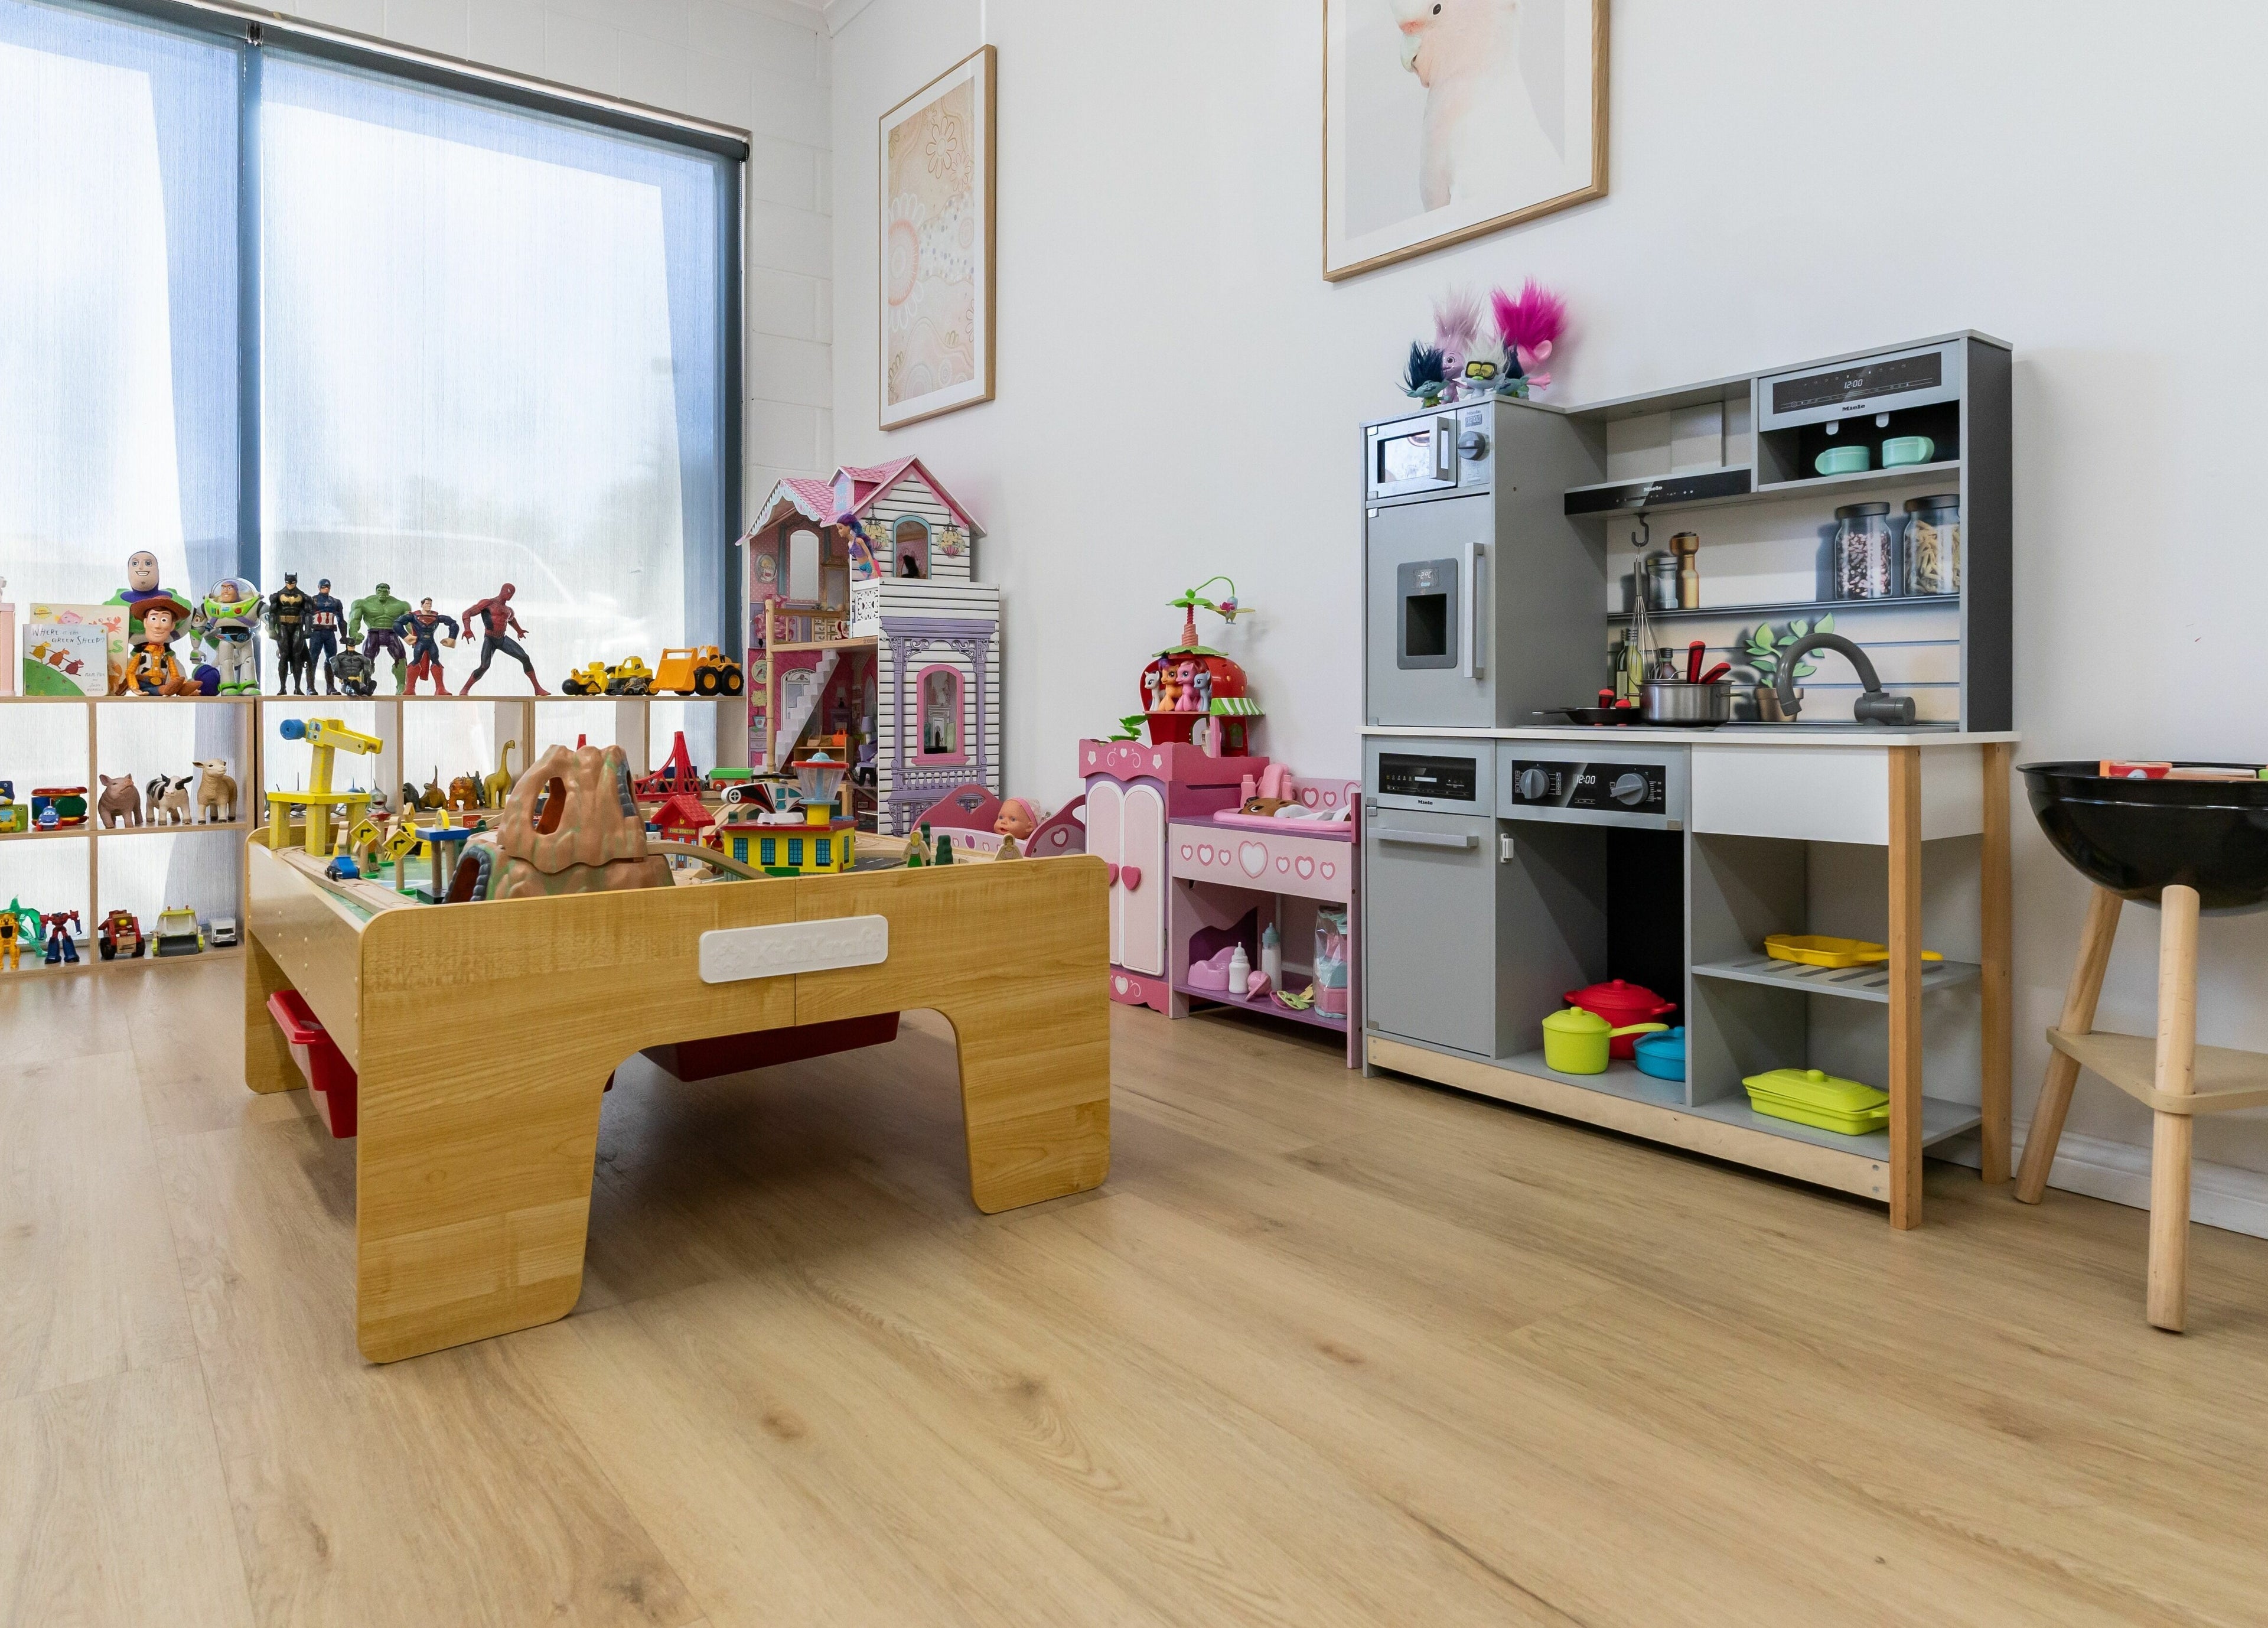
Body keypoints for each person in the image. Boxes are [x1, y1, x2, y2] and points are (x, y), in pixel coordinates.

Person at [458, 583, 548, 695]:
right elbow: (467, 613)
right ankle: (465, 689)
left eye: (512, 594)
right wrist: (468, 629)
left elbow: (511, 620)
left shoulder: (509, 610)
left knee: (525, 657)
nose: (510, 596)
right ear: (503, 591)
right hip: (490, 639)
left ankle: (538, 689)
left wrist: (519, 631)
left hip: (502, 639)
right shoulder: (488, 603)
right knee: (484, 666)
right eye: (509, 592)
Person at [124, 595, 197, 695]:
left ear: (172, 626)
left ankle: (182, 690)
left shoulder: (168, 659)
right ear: (145, 623)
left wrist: (182, 684)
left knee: (169, 685)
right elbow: (130, 672)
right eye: (153, 619)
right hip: (145, 685)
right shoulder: (139, 656)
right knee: (162, 690)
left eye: (164, 620)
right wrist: (134, 687)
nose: (158, 626)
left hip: (162, 683)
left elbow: (175, 676)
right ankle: (165, 690)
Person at [348, 582, 413, 693]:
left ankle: (401, 686)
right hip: (374, 632)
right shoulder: (363, 603)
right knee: (367, 659)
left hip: (392, 632)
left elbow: (409, 622)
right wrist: (354, 633)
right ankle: (364, 684)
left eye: (385, 591)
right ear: (376, 591)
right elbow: (354, 619)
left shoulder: (401, 605)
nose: (382, 593)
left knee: (401, 657)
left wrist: (413, 635)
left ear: (389, 592)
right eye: (380, 591)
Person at [395, 598, 458, 695]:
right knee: (416, 661)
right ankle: (410, 687)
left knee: (436, 661)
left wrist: (452, 638)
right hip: (420, 642)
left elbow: (453, 624)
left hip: (431, 642)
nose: (429, 605)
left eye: (430, 604)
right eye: (427, 603)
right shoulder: (414, 616)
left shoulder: (436, 617)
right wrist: (406, 636)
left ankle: (440, 688)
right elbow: (397, 624)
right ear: (422, 605)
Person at [264, 572, 314, 695]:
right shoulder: (277, 596)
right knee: (284, 655)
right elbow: (272, 614)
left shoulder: (303, 596)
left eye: (293, 582)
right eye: (288, 582)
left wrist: (308, 629)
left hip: (297, 626)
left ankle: (298, 687)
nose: (290, 584)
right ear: (285, 581)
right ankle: (283, 688)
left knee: (297, 656)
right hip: (283, 626)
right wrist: (271, 630)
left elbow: (308, 614)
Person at [306, 577, 346, 695]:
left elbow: (341, 620)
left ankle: (330, 687)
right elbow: (306, 617)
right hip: (316, 633)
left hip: (329, 633)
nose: (325, 589)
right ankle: (310, 688)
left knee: (332, 659)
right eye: (323, 587)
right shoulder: (312, 600)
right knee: (312, 659)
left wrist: (344, 636)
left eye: (327, 587)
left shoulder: (335, 602)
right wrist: (306, 631)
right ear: (319, 588)